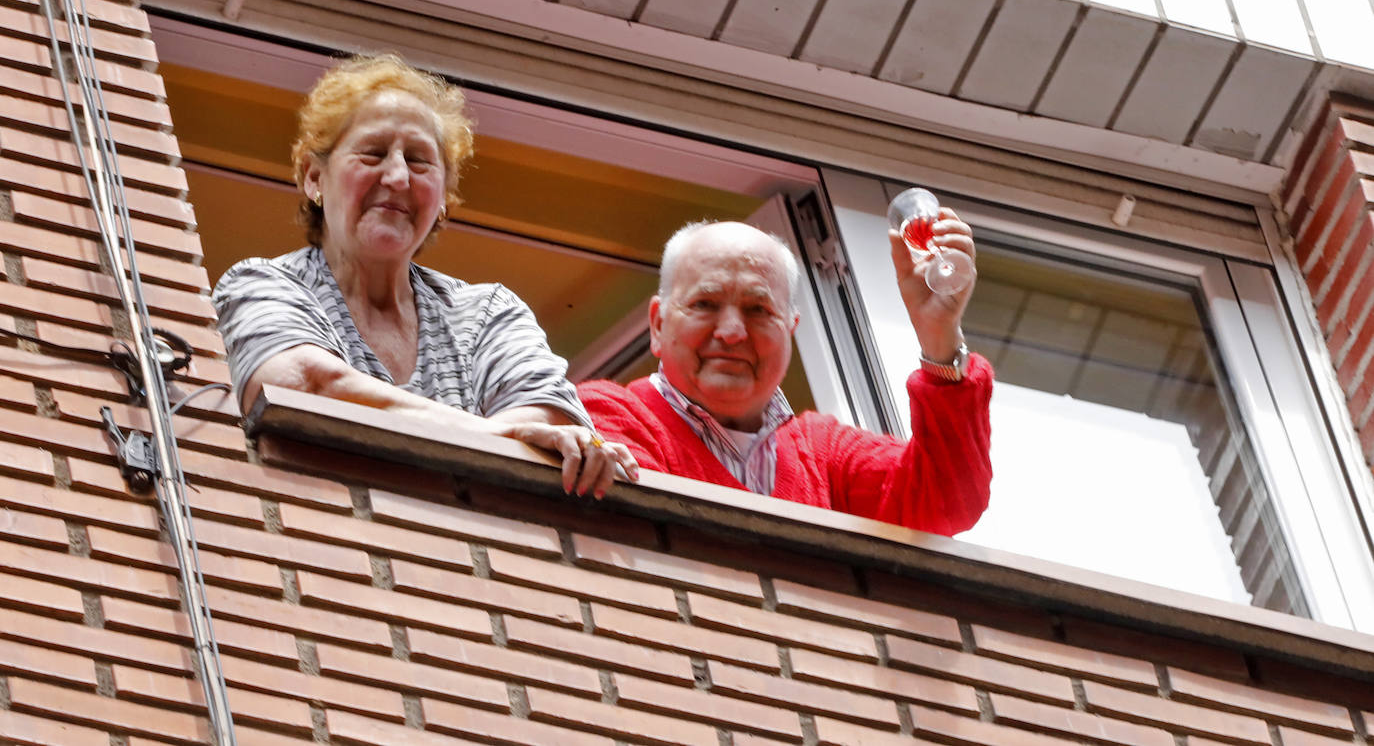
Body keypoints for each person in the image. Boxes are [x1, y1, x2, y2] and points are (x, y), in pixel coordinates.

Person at [213, 54, 638, 499]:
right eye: (373, 153)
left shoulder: (487, 313)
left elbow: (553, 426)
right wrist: (498, 436)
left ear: (443, 200)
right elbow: (303, 387)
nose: (398, 177)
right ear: (314, 177)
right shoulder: (263, 283)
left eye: (419, 161)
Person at [578, 218, 992, 535]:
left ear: (790, 329)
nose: (732, 331)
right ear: (657, 324)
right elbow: (651, 543)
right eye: (705, 304)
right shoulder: (604, 416)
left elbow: (944, 502)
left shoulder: (824, 453)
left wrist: (939, 336)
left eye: (758, 310)